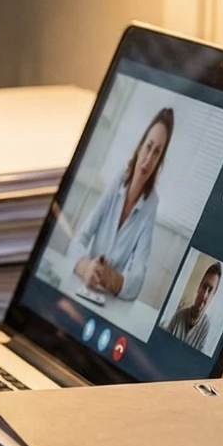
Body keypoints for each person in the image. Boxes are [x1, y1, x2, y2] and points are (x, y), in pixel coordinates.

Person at [70, 107, 173, 302]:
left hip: (106, 300)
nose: (149, 159)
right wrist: (86, 268)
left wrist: (110, 277)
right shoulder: (118, 180)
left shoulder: (151, 204)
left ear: (160, 161)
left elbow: (137, 281)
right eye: (148, 147)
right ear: (140, 146)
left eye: (157, 153)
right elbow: (79, 239)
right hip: (82, 288)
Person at [164, 261, 223, 351]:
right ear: (199, 287)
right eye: (204, 287)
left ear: (213, 296)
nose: (204, 296)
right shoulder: (178, 316)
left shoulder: (206, 328)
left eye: (210, 291)